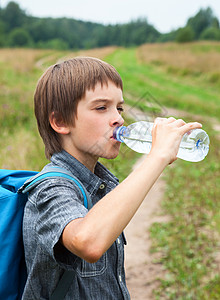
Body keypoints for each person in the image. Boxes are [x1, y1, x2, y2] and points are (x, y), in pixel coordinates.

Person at [22, 57, 202, 299]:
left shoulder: (101, 185)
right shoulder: (50, 188)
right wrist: (156, 157)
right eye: (101, 108)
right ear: (60, 122)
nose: (118, 118)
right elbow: (88, 242)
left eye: (119, 108)